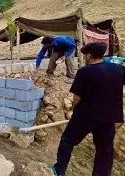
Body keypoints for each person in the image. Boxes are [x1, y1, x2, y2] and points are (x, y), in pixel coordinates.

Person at [50, 42, 125, 176]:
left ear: (89, 55)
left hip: (86, 115)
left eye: (85, 55)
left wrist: (73, 108)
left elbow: (77, 97)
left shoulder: (85, 71)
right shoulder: (118, 69)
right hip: (109, 117)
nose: (84, 58)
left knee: (67, 140)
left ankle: (59, 170)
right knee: (105, 149)